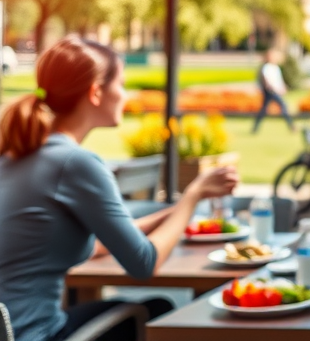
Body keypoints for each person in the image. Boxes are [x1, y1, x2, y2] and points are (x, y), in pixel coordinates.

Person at [0, 36, 238, 341]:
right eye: (121, 85)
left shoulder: (18, 152)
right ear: (96, 92)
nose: (126, 95)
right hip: (36, 336)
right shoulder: (74, 162)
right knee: (156, 311)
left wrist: (173, 213)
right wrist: (193, 195)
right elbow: (144, 263)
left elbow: (102, 243)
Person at [252, 50, 294, 133]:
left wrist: (283, 87)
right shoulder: (266, 67)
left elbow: (279, 80)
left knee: (264, 109)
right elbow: (267, 80)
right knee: (283, 105)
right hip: (270, 91)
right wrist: (275, 89)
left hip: (274, 91)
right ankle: (291, 126)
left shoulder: (275, 67)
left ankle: (255, 128)